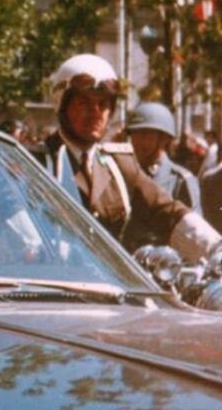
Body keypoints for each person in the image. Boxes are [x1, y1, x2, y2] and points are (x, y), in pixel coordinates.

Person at [33, 54, 220, 259]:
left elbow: (168, 213)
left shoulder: (118, 165)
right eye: (83, 103)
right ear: (62, 104)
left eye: (103, 104)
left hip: (111, 286)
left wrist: (215, 250)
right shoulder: (33, 162)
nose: (96, 112)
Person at [125, 102, 201, 211]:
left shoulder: (180, 181)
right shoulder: (125, 174)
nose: (137, 140)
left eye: (145, 134)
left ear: (164, 139)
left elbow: (193, 226)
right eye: (134, 133)